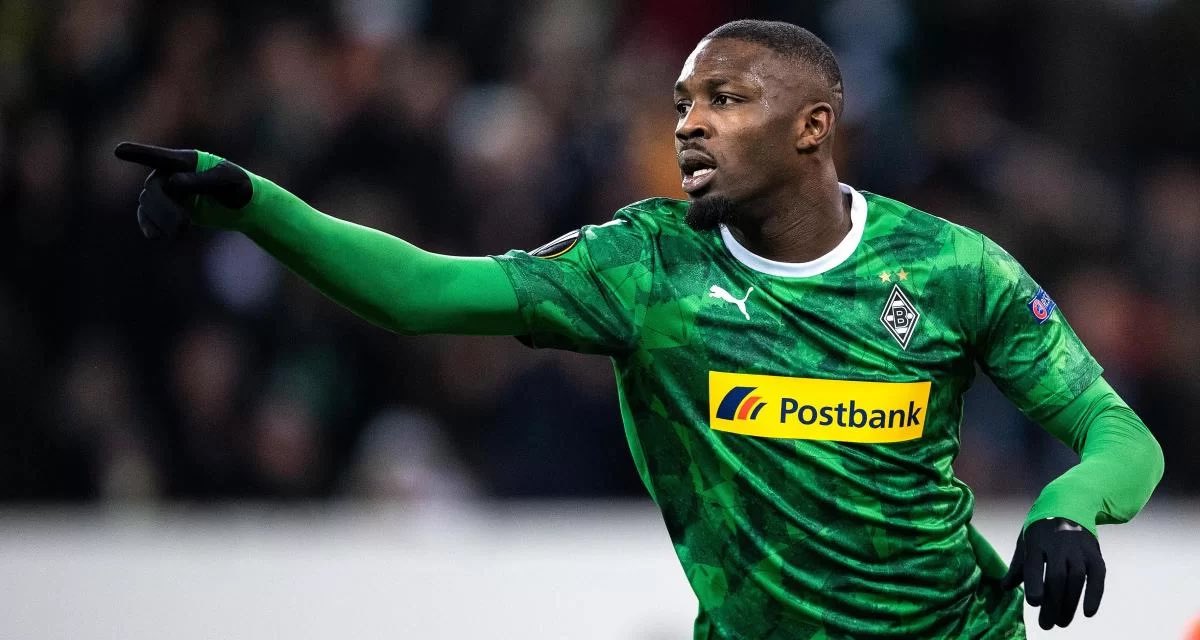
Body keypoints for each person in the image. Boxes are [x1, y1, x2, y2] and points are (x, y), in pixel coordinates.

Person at [115, 19, 1163, 640]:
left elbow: (1123, 437)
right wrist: (257, 205)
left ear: (813, 127)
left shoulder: (948, 268)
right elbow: (423, 293)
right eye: (682, 102)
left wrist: (1066, 511)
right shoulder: (644, 266)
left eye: (726, 99)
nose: (689, 123)